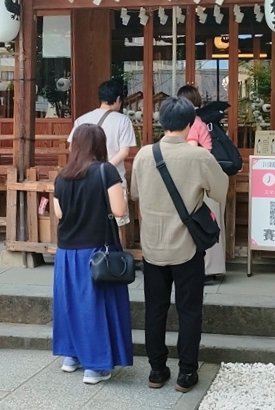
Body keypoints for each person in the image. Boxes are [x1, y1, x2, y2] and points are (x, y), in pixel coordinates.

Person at [130, 97, 229, 392]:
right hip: (187, 246)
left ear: (162, 122)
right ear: (190, 123)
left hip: (152, 246)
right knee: (189, 310)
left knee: (155, 309)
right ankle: (186, 372)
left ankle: (157, 371)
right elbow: (221, 191)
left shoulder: (144, 155)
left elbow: (135, 193)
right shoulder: (198, 157)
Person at [52, 124, 133, 385]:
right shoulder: (105, 171)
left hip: (66, 252)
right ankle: (95, 366)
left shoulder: (62, 175)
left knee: (71, 305)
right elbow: (119, 211)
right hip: (97, 250)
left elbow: (59, 213)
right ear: (100, 144)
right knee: (95, 307)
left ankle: (71, 356)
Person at [68, 80, 138, 235]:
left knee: (87, 219)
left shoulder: (82, 119)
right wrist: (103, 168)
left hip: (83, 176)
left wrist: (89, 167)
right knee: (116, 222)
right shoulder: (123, 120)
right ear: (118, 99)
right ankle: (114, 257)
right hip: (112, 177)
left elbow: (72, 148)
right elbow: (124, 152)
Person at [176, 84, 226, 282]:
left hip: (196, 178)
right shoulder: (201, 120)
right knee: (211, 221)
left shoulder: (191, 123)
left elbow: (191, 150)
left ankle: (204, 269)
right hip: (209, 175)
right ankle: (212, 268)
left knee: (200, 222)